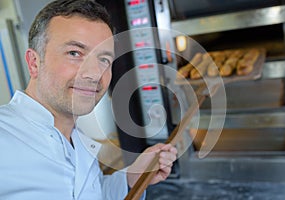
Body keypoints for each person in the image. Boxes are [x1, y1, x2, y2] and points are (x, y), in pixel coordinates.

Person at [0, 0, 177, 200]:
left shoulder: (78, 139)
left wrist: (132, 177)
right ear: (34, 63)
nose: (93, 74)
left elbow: (93, 194)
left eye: (103, 60)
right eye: (74, 53)